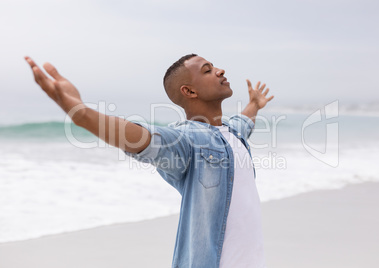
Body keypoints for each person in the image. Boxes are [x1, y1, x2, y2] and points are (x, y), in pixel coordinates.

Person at [25, 54, 274, 268]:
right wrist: (83, 115)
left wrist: (254, 104)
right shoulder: (188, 141)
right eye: (208, 70)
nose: (220, 70)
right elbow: (144, 138)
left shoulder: (232, 131)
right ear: (189, 91)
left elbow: (244, 122)